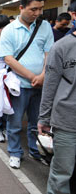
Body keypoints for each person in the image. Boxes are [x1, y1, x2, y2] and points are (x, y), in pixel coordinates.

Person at [0, 0, 54, 169]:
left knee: (37, 121)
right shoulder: (9, 30)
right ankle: (14, 152)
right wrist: (32, 77)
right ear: (21, 8)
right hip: (19, 85)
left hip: (41, 84)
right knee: (14, 122)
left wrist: (44, 75)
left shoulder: (44, 26)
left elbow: (49, 52)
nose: (37, 13)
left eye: (41, 9)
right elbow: (8, 59)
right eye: (33, 9)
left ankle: (35, 150)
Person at [38, 27, 76, 194]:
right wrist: (44, 118)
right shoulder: (61, 47)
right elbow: (50, 85)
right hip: (67, 121)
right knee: (61, 175)